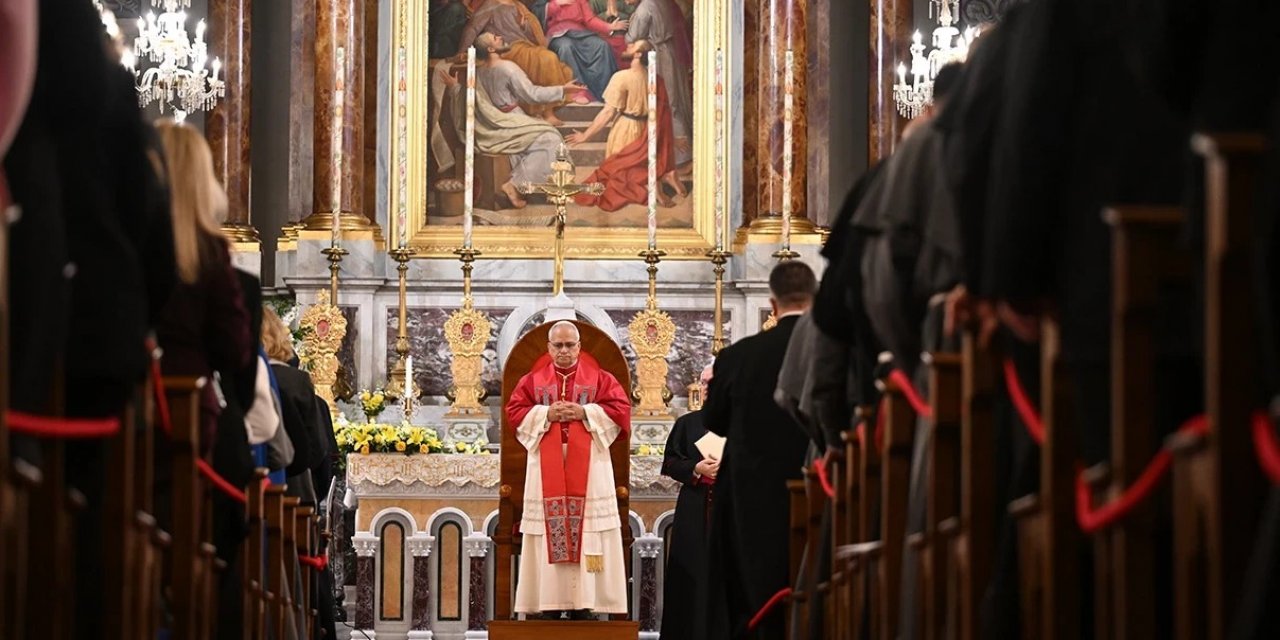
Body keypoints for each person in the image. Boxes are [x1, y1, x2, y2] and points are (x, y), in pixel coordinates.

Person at [703, 261, 817, 639]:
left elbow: (714, 421)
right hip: (815, 481)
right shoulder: (828, 348)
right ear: (814, 299)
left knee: (751, 584)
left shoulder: (737, 356)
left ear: (772, 304)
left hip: (751, 489)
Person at [504, 320, 632, 619]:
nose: (564, 351)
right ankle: (548, 602)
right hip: (544, 467)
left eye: (570, 345)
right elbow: (514, 412)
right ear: (549, 348)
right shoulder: (532, 381)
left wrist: (585, 412)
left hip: (591, 467)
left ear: (579, 346)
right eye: (558, 345)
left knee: (588, 529)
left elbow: (621, 411)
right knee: (548, 530)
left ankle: (585, 602)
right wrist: (545, 412)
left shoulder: (601, 379)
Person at [443, 32, 581, 208]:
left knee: (537, 138)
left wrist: (455, 88)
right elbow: (532, 94)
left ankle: (531, 186)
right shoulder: (508, 68)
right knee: (551, 138)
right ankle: (514, 186)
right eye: (495, 38)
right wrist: (563, 89)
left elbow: (471, 99)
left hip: (493, 125)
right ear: (491, 49)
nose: (500, 37)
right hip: (511, 120)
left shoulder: (480, 72)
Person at [568, 39, 685, 210]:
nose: (627, 46)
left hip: (625, 130)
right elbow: (661, 116)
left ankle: (651, 189)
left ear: (638, 54)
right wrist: (671, 140)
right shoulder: (655, 79)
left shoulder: (621, 77)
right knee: (638, 164)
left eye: (632, 46)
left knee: (619, 172)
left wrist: (585, 136)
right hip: (647, 131)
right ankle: (657, 185)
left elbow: (608, 112)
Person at [659, 364, 718, 640]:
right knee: (690, 573)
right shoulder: (687, 423)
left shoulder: (743, 421)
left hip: (729, 508)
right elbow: (670, 462)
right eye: (704, 383)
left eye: (713, 382)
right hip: (694, 508)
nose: (707, 388)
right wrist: (697, 468)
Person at [456, 0, 579, 123]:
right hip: (506, 50)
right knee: (547, 58)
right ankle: (547, 112)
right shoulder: (490, 5)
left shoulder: (519, 6)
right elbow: (472, 28)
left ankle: (546, 110)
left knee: (552, 60)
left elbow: (532, 36)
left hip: (524, 46)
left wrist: (524, 26)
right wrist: (462, 50)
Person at [623, 0, 693, 162]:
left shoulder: (644, 8)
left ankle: (682, 158)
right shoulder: (661, 2)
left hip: (662, 56)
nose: (626, 1)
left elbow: (632, 37)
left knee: (668, 103)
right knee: (676, 102)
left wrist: (630, 25)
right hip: (672, 53)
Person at [544, 0, 628, 103]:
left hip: (580, 33)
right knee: (566, 47)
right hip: (558, 34)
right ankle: (577, 92)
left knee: (601, 45)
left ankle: (604, 91)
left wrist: (609, 27)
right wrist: (555, 5)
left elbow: (589, 19)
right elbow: (537, 12)